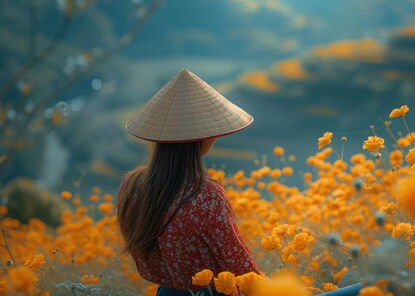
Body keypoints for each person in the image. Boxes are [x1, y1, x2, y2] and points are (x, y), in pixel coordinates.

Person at [117, 69, 363, 296]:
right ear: (201, 136)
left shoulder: (132, 185)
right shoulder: (204, 195)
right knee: (366, 290)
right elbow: (242, 270)